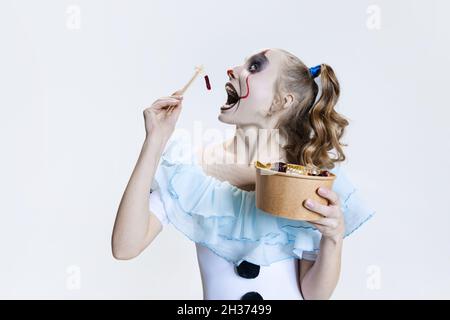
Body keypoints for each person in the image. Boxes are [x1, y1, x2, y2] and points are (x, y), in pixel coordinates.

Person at [111, 48, 374, 300]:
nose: (232, 70)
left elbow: (314, 294)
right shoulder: (191, 171)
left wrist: (333, 238)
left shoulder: (303, 179)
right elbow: (125, 247)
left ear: (282, 101)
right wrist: (155, 141)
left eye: (255, 67)